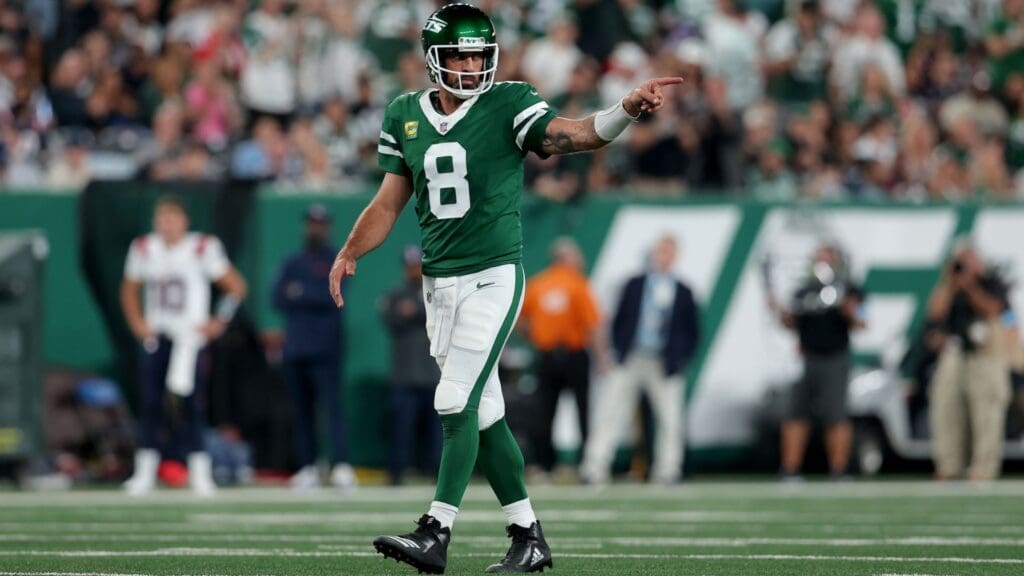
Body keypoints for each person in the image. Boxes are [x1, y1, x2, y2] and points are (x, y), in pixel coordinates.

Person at [327, 4, 682, 573]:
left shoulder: (508, 101)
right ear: (434, 60)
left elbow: (571, 135)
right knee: (486, 413)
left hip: (492, 274)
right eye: (460, 54)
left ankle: (436, 530)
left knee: (453, 400)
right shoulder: (402, 114)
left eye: (479, 54)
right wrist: (349, 251)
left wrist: (625, 110)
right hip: (439, 285)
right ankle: (528, 536)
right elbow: (389, 200)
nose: (471, 64)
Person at [120, 196, 248, 496]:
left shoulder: (202, 246)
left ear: (184, 221)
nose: (167, 225)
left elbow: (236, 287)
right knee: (151, 404)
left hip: (189, 341)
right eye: (162, 219)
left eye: (172, 218)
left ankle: (200, 472)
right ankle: (145, 472)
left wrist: (219, 320)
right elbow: (128, 288)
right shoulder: (143, 247)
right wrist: (137, 322)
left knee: (191, 407)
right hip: (157, 336)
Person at [580, 235, 700, 486]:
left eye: (669, 251)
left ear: (676, 255)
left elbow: (692, 330)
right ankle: (595, 467)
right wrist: (616, 351)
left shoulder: (684, 290)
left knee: (669, 417)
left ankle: (668, 470)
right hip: (632, 356)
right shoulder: (634, 284)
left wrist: (680, 359)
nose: (664, 255)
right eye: (661, 250)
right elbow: (619, 319)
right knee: (610, 412)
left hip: (663, 361)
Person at [272, 204, 355, 491]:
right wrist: (312, 294)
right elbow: (277, 297)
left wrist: (302, 292)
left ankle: (341, 466)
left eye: (320, 223)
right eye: (311, 223)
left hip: (326, 348)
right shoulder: (292, 262)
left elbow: (333, 296)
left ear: (328, 227)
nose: (315, 228)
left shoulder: (338, 259)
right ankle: (308, 466)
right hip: (296, 348)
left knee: (332, 409)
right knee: (302, 410)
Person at [927, 240, 1013, 481]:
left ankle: (983, 468)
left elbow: (993, 309)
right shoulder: (950, 286)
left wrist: (971, 286)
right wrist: (951, 284)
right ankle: (949, 465)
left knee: (986, 413)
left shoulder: (991, 281)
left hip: (986, 354)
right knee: (946, 408)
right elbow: (935, 312)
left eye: (968, 259)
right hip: (956, 352)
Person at [777, 243, 865, 481]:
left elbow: (863, 322)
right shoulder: (804, 291)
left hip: (835, 356)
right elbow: (789, 323)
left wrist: (849, 310)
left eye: (827, 258)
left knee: (836, 415)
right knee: (796, 414)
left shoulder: (850, 289)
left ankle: (838, 469)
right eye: (819, 259)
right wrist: (780, 311)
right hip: (807, 357)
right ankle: (790, 469)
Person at [518, 237, 603, 477]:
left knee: (545, 412)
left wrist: (533, 336)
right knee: (582, 411)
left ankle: (547, 464)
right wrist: (602, 357)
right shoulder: (578, 284)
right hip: (574, 353)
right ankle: (587, 464)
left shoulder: (539, 283)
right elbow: (593, 325)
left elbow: (519, 318)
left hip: (547, 354)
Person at [380, 245, 442, 486]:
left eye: (417, 265)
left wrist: (414, 311)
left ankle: (440, 476)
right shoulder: (395, 294)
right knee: (401, 429)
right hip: (404, 375)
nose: (414, 270)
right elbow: (392, 319)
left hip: (432, 373)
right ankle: (396, 474)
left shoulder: (435, 292)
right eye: (410, 266)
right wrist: (417, 311)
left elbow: (440, 315)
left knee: (438, 432)